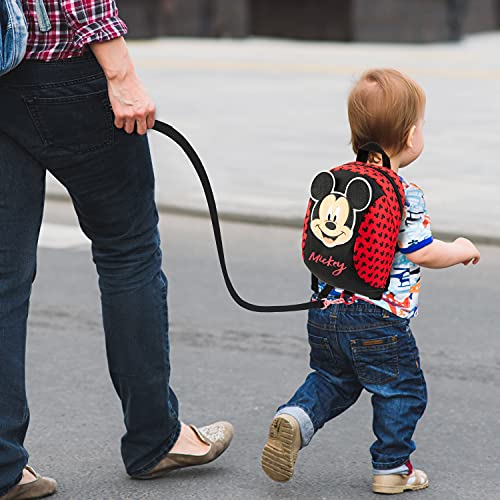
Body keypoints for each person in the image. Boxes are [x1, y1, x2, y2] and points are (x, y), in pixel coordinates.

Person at [0, 1, 233, 499]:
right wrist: (120, 70)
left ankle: (1, 466)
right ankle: (156, 439)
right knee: (128, 248)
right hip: (60, 69)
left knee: (3, 277)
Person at [260, 68, 481, 495]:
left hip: (324, 313)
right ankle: (393, 468)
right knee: (402, 389)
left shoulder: (336, 183)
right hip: (379, 319)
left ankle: (295, 417)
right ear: (413, 135)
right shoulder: (404, 191)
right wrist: (460, 249)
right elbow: (422, 252)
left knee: (331, 379)